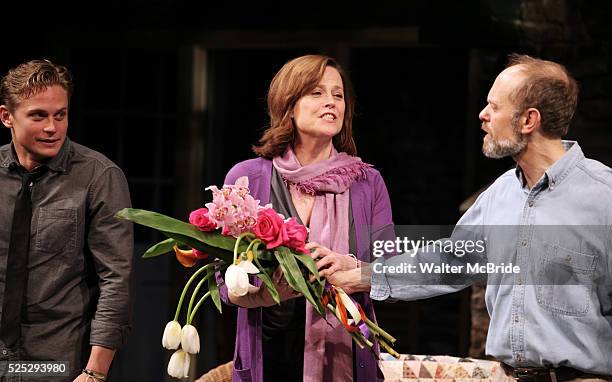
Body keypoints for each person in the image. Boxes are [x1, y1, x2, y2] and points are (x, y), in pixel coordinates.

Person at [330, 54, 612, 380]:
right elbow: (449, 261)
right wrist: (362, 274)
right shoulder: (498, 196)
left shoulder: (603, 198)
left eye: (494, 106)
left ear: (528, 120)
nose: (483, 115)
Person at [216, 54, 396, 381]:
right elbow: (224, 284)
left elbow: (395, 275)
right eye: (316, 92)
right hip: (268, 360)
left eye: (338, 95)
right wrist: (267, 294)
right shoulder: (247, 179)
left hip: (347, 359)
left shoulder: (367, 183)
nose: (331, 102)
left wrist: (352, 268)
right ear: (289, 104)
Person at [0, 59, 133, 382]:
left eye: (60, 115)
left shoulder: (98, 176)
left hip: (57, 363)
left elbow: (116, 280)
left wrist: (95, 372)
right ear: (7, 117)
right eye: (38, 115)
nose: (52, 127)